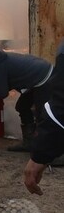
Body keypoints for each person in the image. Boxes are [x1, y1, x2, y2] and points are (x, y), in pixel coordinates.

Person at [24, 39, 64, 195]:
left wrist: (40, 156)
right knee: (23, 106)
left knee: (37, 108)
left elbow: (60, 109)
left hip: (42, 80)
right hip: (43, 77)